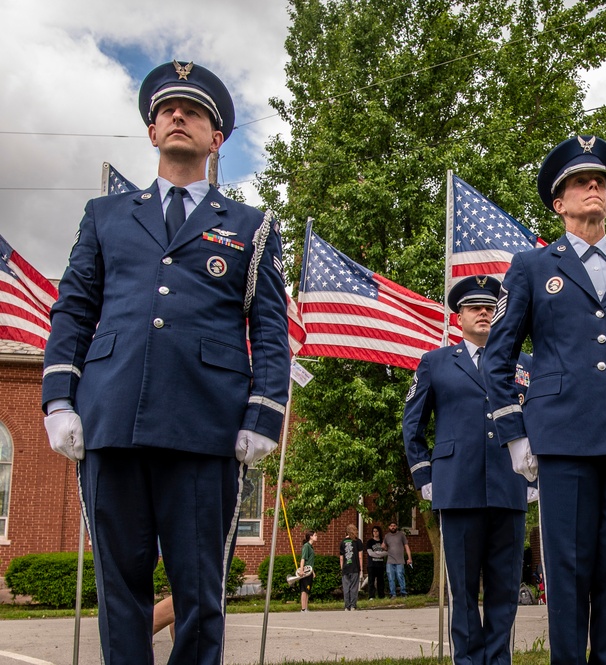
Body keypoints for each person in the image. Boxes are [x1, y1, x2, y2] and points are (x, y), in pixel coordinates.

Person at [41, 60, 289, 664]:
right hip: (112, 418)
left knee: (200, 595)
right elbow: (73, 309)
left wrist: (264, 415)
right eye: (167, 111)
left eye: (195, 112)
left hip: (204, 428)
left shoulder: (252, 228)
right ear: (152, 132)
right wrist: (57, 399)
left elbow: (271, 329)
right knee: (119, 592)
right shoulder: (104, 216)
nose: (179, 117)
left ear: (216, 138)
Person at [483, 135, 606, 664]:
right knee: (567, 572)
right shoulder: (531, 267)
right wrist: (515, 435)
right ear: (558, 202)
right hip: (561, 439)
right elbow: (499, 358)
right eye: (580, 182)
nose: (595, 187)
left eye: (603, 182)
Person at [403, 275, 533, 665]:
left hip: (511, 488)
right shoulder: (435, 363)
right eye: (474, 308)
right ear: (457, 316)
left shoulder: (523, 363)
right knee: (462, 591)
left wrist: (535, 476)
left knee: (505, 589)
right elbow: (412, 426)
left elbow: (540, 420)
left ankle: (498, 660)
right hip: (457, 488)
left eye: (491, 308)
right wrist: (426, 477)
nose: (484, 313)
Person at [383, 521, 412, 598]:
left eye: (394, 526)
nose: (393, 527)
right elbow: (385, 547)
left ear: (396, 527)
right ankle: (393, 593)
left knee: (400, 575)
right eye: (391, 526)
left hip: (400, 560)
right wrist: (383, 547)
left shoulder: (401, 535)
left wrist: (409, 558)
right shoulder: (387, 536)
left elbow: (406, 546)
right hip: (390, 560)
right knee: (390, 577)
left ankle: (403, 592)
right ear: (389, 527)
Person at [340, 525, 364, 611]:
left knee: (346, 587)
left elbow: (341, 557)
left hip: (345, 568)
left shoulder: (342, 542)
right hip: (354, 567)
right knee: (354, 587)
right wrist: (361, 568)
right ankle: (353, 605)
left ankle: (347, 606)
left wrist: (341, 568)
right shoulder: (358, 542)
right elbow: (360, 556)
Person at [366, 525, 388, 600]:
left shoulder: (383, 542)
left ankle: (381, 595)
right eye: (374, 531)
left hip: (380, 564)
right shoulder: (370, 542)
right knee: (371, 581)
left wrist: (377, 554)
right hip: (371, 565)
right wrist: (379, 554)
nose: (375, 533)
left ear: (379, 532)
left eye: (376, 531)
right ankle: (371, 596)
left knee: (381, 581)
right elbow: (370, 553)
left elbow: (387, 552)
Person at [300, 531, 317, 612]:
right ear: (311, 536)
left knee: (308, 589)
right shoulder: (306, 546)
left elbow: (310, 562)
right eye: (315, 535)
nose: (316, 537)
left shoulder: (311, 547)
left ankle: (306, 607)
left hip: (309, 571)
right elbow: (303, 559)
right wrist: (301, 570)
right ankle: (303, 608)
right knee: (304, 589)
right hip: (305, 571)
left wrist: (312, 572)